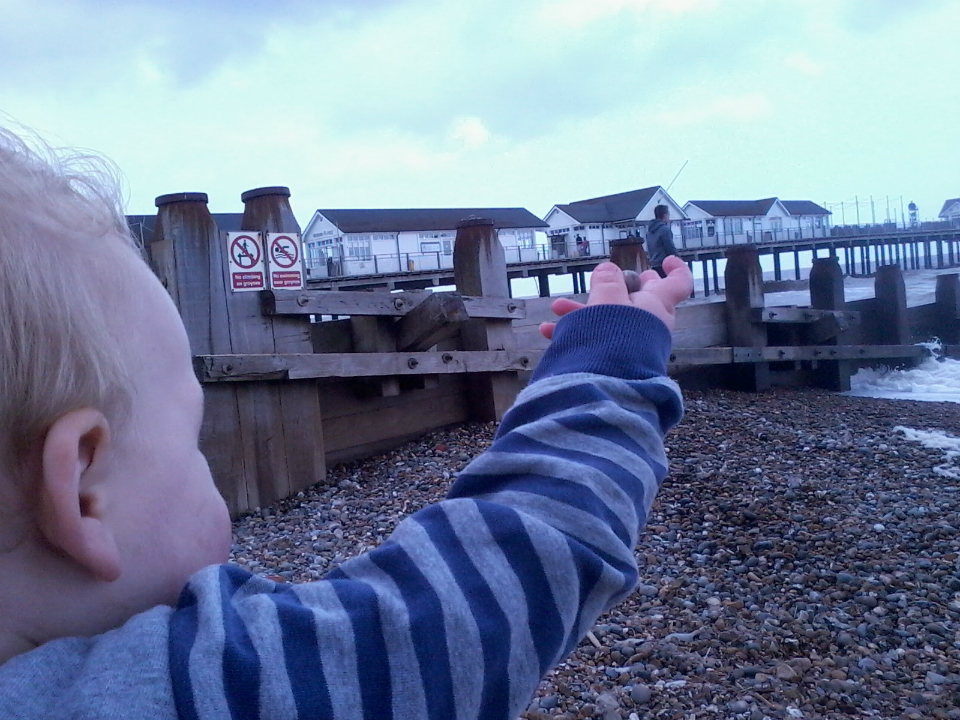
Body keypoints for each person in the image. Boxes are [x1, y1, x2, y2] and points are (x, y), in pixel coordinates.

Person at [0, 126, 693, 719]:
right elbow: (504, 573)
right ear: (84, 493)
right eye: (195, 443)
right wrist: (610, 358)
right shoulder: (185, 691)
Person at [646, 204, 678, 278]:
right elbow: (670, 248)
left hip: (654, 266)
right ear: (665, 215)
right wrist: (679, 259)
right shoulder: (665, 229)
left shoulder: (649, 232)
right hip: (664, 266)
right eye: (668, 215)